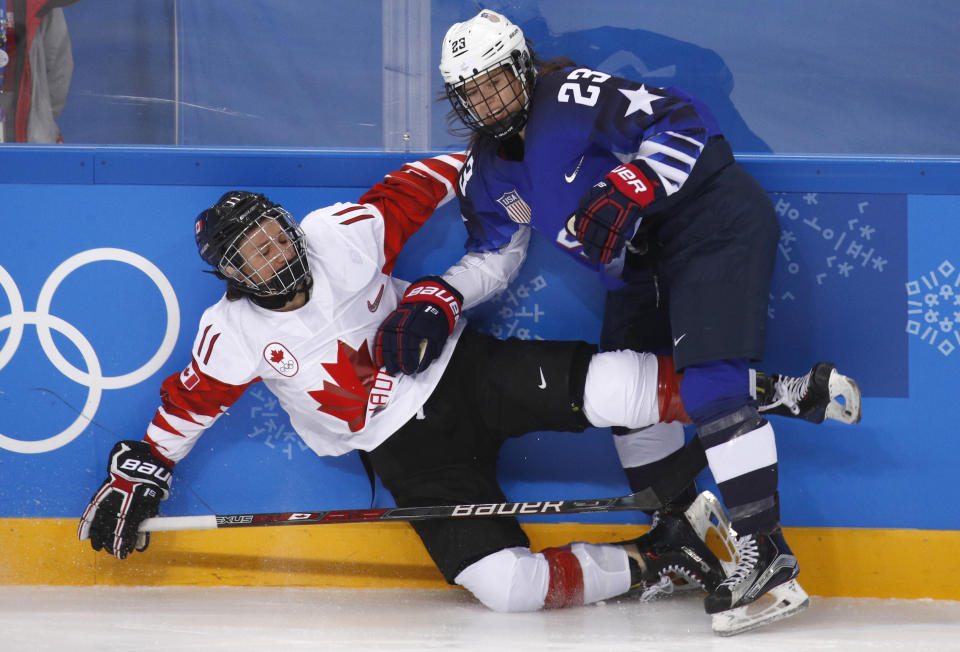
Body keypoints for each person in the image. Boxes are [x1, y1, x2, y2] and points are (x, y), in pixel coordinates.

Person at [78, 154, 736, 615]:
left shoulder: (339, 235)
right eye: (253, 254)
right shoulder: (232, 334)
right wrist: (145, 469)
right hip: (408, 456)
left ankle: (764, 390)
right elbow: (191, 405)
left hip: (461, 373)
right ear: (232, 273)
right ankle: (659, 560)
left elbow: (421, 182)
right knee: (506, 588)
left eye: (273, 235)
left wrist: (503, 163)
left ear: (286, 224)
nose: (275, 253)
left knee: (614, 384)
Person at [436, 9, 861, 634]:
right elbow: (496, 254)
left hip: (708, 226)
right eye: (471, 90)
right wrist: (437, 296)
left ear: (522, 67)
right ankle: (684, 523)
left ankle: (766, 551)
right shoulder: (486, 173)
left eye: (496, 80)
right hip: (642, 268)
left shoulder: (574, 94)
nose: (487, 99)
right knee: (631, 404)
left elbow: (685, 120)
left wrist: (634, 181)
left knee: (710, 385)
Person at [0, 0, 77, 143]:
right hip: (30, 127)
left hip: (29, 129)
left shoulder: (43, 5)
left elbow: (58, 65)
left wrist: (40, 114)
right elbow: (59, 66)